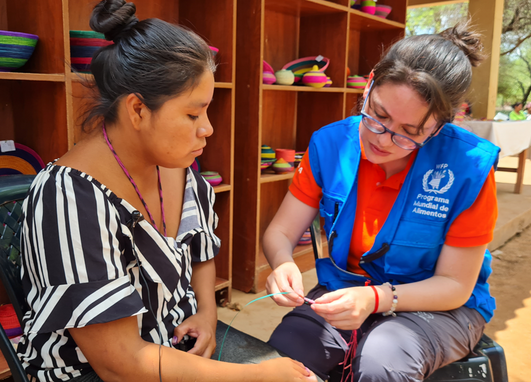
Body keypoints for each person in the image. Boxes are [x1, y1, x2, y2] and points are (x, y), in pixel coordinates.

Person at [17, 1, 315, 381]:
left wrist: (206, 313)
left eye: (206, 111)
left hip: (172, 345)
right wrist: (254, 377)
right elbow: (119, 364)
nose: (206, 128)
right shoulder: (68, 198)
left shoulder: (174, 164)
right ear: (138, 110)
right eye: (193, 114)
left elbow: (199, 248)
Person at [263, 21, 500, 382]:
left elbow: (454, 285)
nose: (384, 140)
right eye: (379, 115)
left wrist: (376, 300)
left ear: (440, 126)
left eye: (410, 132)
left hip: (441, 306)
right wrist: (281, 263)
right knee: (287, 353)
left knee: (382, 359)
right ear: (370, 82)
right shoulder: (330, 145)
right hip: (346, 290)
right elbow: (280, 231)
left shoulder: (468, 167)